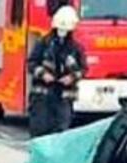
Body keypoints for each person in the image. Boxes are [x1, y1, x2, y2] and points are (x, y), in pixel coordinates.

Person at [27, 6, 86, 138]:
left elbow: (83, 69)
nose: (62, 32)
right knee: (40, 131)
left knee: (61, 132)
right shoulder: (43, 44)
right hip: (42, 96)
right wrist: (43, 74)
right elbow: (31, 63)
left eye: (66, 30)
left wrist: (71, 77)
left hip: (64, 98)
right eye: (60, 29)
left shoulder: (76, 49)